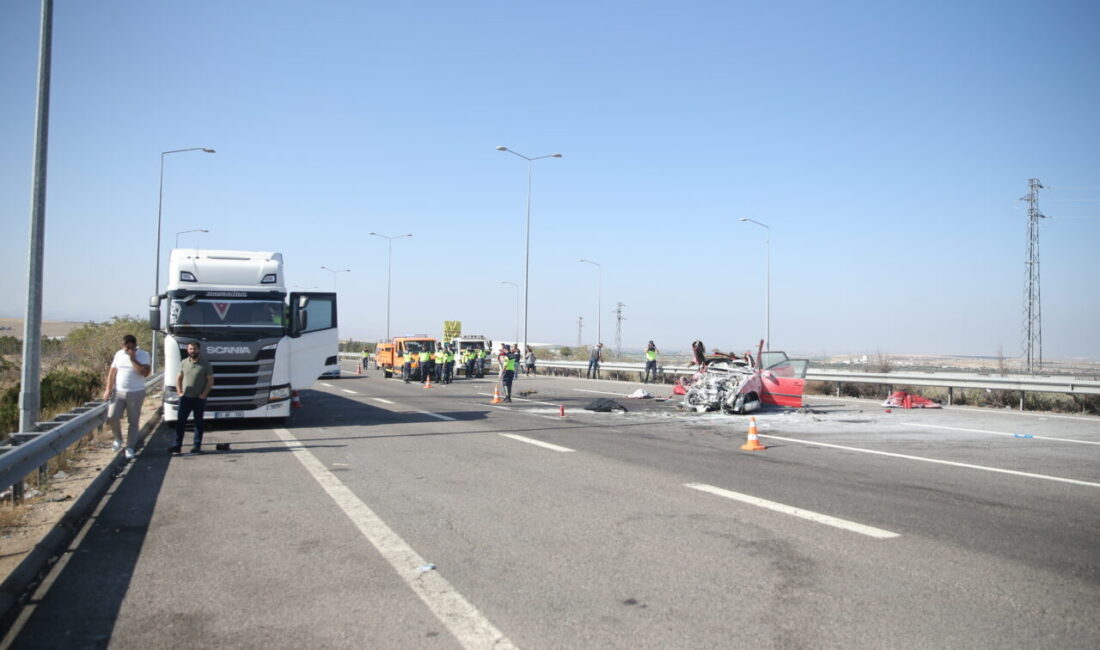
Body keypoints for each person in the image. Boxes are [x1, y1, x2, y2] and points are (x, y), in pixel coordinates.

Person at [103, 334, 151, 460]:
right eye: (125, 348)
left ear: (135, 345)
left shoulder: (144, 355)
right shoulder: (119, 354)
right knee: (112, 416)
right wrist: (108, 389)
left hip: (136, 392)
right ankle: (118, 439)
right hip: (118, 391)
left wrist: (133, 359)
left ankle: (130, 447)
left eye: (129, 348)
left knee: (133, 422)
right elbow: (112, 372)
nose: (127, 350)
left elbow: (145, 373)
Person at [172, 341, 214, 454]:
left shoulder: (205, 364)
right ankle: (177, 446)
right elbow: (178, 378)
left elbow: (210, 380)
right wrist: (179, 392)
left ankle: (197, 446)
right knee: (181, 422)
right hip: (185, 398)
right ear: (187, 350)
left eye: (194, 349)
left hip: (199, 399)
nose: (192, 351)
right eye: (190, 349)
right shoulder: (183, 363)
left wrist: (204, 394)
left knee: (198, 423)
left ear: (198, 350)